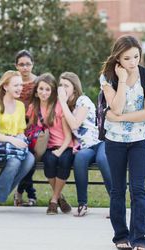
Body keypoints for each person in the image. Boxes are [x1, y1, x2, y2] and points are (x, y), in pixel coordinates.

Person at [99, 35, 145, 250]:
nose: (133, 62)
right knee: (117, 190)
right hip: (115, 142)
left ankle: (139, 239)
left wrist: (120, 119)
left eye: (136, 57)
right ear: (118, 60)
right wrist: (121, 80)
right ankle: (120, 237)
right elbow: (115, 107)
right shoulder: (107, 77)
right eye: (127, 58)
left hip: (138, 141)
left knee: (138, 190)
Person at [0, 70, 35, 215]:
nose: (19, 88)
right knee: (15, 162)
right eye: (16, 85)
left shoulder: (20, 106)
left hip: (11, 145)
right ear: (5, 87)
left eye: (21, 85)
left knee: (30, 159)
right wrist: (14, 140)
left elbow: (21, 130)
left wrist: (21, 139)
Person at [57, 72, 112, 217]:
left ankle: (116, 204)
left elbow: (75, 124)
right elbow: (71, 132)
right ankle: (83, 204)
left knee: (102, 159)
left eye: (66, 85)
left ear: (74, 88)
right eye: (61, 85)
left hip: (101, 142)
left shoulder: (83, 100)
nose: (62, 88)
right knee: (80, 159)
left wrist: (62, 103)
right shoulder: (66, 107)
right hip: (87, 148)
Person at [27, 73, 74, 215]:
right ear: (36, 92)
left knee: (65, 161)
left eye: (47, 89)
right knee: (49, 161)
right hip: (46, 147)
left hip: (65, 145)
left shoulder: (59, 107)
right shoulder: (33, 108)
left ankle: (53, 200)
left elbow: (68, 136)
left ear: (53, 91)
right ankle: (60, 197)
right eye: (41, 89)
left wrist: (61, 150)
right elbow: (31, 129)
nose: (44, 92)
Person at [14, 49, 38, 206]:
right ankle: (30, 193)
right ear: (16, 66)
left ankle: (20, 191)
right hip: (15, 128)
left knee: (31, 157)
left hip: (34, 127)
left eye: (27, 64)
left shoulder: (38, 82)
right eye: (21, 64)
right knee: (24, 157)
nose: (24, 67)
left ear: (33, 65)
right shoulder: (13, 82)